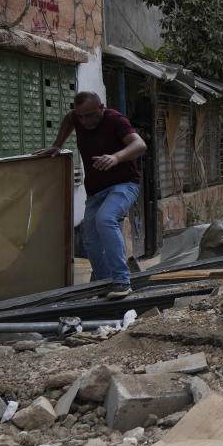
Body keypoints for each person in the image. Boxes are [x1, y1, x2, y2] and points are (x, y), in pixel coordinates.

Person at [36, 92, 147, 299]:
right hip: (95, 191)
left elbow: (139, 145)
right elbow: (69, 120)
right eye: (82, 116)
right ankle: (105, 282)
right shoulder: (75, 118)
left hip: (124, 185)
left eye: (91, 115)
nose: (85, 121)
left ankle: (122, 281)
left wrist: (116, 157)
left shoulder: (115, 119)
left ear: (101, 107)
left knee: (105, 219)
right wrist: (57, 144)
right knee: (90, 237)